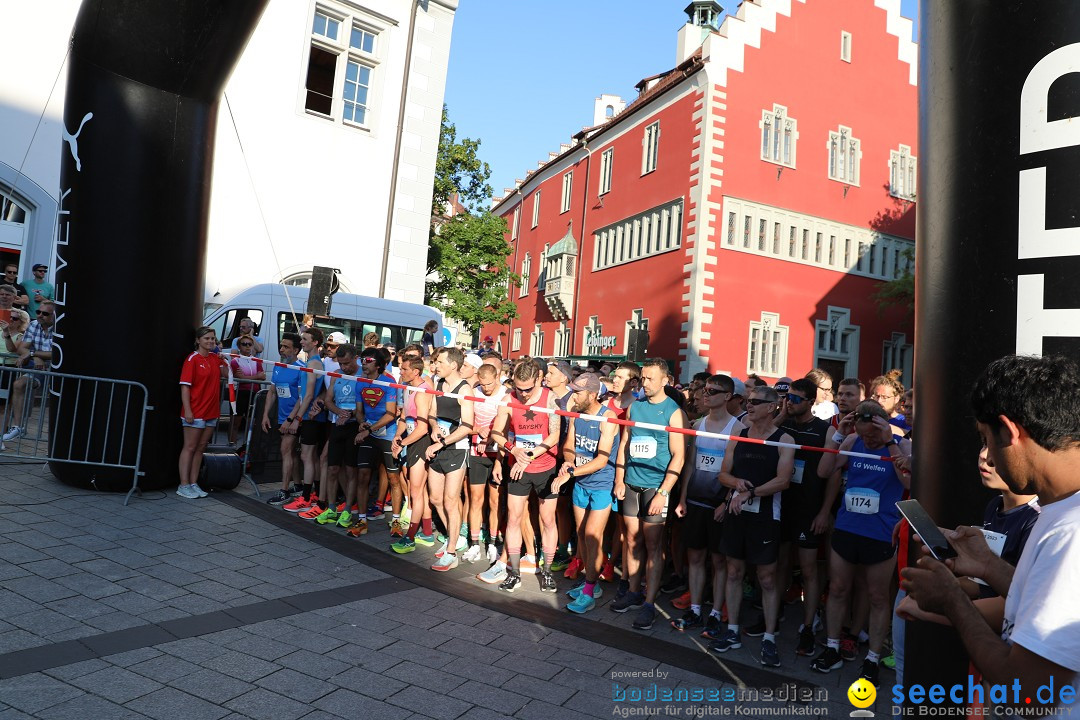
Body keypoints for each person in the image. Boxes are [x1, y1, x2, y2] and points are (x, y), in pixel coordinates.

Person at [901, 355, 1080, 707]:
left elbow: (1031, 695)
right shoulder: (1060, 509)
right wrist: (988, 565)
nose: (989, 458)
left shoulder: (1070, 533)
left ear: (1010, 431)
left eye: (986, 438)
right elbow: (1043, 602)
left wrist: (953, 601)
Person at [811, 401, 908, 686]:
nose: (869, 440)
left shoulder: (903, 445)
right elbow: (824, 471)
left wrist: (889, 443)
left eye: (873, 436)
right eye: (865, 435)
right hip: (847, 527)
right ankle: (832, 648)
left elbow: (907, 479)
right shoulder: (853, 440)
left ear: (883, 425)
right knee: (838, 588)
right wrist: (840, 435)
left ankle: (873, 659)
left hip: (880, 532)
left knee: (878, 596)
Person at [710, 385, 794, 668]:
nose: (750, 405)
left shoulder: (785, 439)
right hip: (737, 512)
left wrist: (752, 492)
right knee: (733, 571)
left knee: (767, 578)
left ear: (772, 407)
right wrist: (736, 485)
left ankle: (770, 637)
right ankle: (732, 630)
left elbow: (783, 481)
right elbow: (723, 474)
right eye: (748, 401)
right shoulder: (739, 435)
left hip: (766, 516)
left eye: (756, 402)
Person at [612, 358, 687, 630]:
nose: (645, 383)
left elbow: (679, 457)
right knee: (632, 540)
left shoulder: (673, 412)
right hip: (631, 483)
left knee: (654, 545)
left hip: (656, 487)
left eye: (651, 378)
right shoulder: (635, 407)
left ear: (665, 380)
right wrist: (619, 478)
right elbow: (625, 443)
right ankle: (633, 591)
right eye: (643, 378)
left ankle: (649, 603)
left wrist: (663, 493)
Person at [674, 374, 743, 636]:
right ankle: (694, 608)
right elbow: (690, 464)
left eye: (713, 391)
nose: (706, 393)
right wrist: (682, 499)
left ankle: (715, 611)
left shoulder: (736, 428)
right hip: (695, 500)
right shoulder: (699, 423)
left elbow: (733, 469)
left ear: (727, 396)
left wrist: (726, 502)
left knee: (719, 561)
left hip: (718, 503)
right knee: (695, 556)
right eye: (705, 389)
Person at [490, 359, 561, 592]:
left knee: (548, 520)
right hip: (518, 466)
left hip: (545, 467)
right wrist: (514, 450)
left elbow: (555, 435)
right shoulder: (508, 399)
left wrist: (529, 455)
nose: (522, 394)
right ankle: (514, 573)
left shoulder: (550, 398)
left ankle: (548, 572)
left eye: (527, 389)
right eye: (518, 388)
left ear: (539, 379)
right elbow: (497, 433)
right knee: (513, 518)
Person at [776, 377, 833, 656]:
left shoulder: (824, 430)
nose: (790, 402)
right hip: (781, 505)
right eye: (788, 397)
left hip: (809, 509)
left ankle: (809, 625)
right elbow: (761, 435)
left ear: (811, 402)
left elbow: (832, 475)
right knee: (780, 564)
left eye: (796, 399)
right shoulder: (782, 422)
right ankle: (772, 617)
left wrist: (824, 511)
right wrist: (783, 413)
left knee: (809, 570)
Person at [555, 373, 619, 614]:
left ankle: (591, 588)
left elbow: (602, 459)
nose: (573, 395)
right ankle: (591, 582)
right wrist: (569, 462)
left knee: (593, 535)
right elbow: (568, 446)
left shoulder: (608, 418)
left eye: (578, 392)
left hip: (601, 484)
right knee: (582, 534)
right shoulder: (576, 414)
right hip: (581, 481)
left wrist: (571, 473)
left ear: (592, 394)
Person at [424, 347, 474, 570]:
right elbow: (432, 413)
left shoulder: (466, 390)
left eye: (440, 362)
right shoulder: (439, 383)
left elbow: (467, 426)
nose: (436, 366)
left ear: (453, 365)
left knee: (451, 500)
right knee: (435, 499)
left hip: (456, 449)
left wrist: (442, 442)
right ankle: (455, 537)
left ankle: (452, 549)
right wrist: (434, 428)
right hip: (439, 445)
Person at [462, 363, 507, 565]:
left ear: (497, 377)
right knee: (475, 499)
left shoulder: (506, 395)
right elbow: (466, 424)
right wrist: (477, 430)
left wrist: (492, 437)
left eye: (489, 384)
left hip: (497, 454)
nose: (486, 388)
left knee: (495, 501)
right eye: (483, 384)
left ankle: (493, 542)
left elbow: (507, 427)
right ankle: (473, 544)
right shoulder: (473, 392)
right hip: (476, 452)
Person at [391, 355, 435, 553]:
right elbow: (404, 417)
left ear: (415, 372)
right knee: (419, 491)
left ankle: (410, 538)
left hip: (420, 442)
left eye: (404, 369)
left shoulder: (423, 391)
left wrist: (402, 443)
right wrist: (397, 436)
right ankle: (426, 533)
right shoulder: (409, 388)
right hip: (410, 440)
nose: (401, 372)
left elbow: (423, 428)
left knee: (415, 492)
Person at [176, 326, 227, 499]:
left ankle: (193, 482)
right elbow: (185, 387)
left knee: (200, 448)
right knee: (189, 447)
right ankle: (183, 485)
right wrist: (188, 410)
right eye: (207, 339)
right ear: (198, 340)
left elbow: (227, 374)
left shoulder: (214, 358)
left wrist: (224, 359)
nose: (211, 341)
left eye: (213, 338)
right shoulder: (192, 359)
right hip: (196, 411)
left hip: (211, 411)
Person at [316, 344, 362, 528]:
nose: (344, 368)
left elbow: (365, 404)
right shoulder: (336, 374)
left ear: (356, 358)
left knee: (351, 470)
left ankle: (348, 509)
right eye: (341, 363)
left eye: (347, 363)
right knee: (332, 468)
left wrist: (350, 414)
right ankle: (332, 508)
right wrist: (339, 412)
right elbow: (328, 401)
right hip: (338, 424)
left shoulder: (363, 376)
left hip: (354, 426)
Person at [261, 333, 306, 505]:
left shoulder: (301, 368)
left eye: (286, 347)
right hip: (281, 417)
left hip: (295, 418)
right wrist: (265, 414)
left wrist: (291, 419)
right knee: (290, 453)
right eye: (281, 346)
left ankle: (284, 490)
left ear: (296, 350)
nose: (282, 349)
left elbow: (302, 398)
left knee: (285, 450)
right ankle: (298, 485)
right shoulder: (278, 366)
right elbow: (272, 392)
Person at [2, 301, 56, 443]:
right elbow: (21, 349)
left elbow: (56, 353)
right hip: (38, 368)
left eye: (45, 313)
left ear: (54, 315)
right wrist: (36, 356)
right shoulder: (34, 324)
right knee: (18, 384)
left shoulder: (60, 328)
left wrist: (31, 354)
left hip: (58, 369)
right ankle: (18, 427)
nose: (40, 315)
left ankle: (58, 438)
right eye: (38, 312)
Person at [227, 334, 264, 446]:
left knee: (251, 423)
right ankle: (231, 445)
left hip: (254, 394)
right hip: (240, 394)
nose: (247, 346)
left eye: (250, 344)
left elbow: (263, 376)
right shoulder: (235, 361)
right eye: (244, 344)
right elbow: (241, 379)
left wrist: (248, 377)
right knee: (235, 422)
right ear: (239, 347)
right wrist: (256, 377)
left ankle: (248, 447)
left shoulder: (257, 360)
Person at [868, 370, 909, 435]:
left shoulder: (905, 421)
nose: (879, 401)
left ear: (896, 399)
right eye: (877, 396)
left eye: (884, 397)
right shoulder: (868, 418)